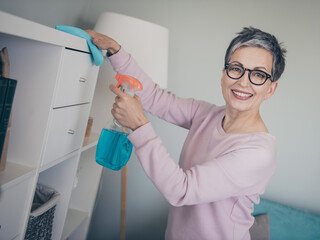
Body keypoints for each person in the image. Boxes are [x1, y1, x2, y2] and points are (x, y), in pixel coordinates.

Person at [86, 26, 286, 240]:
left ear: (271, 89)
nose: (243, 82)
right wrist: (116, 51)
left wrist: (139, 125)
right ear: (223, 75)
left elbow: (182, 190)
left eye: (258, 74)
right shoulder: (207, 114)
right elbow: (154, 97)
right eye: (236, 68)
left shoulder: (258, 153)